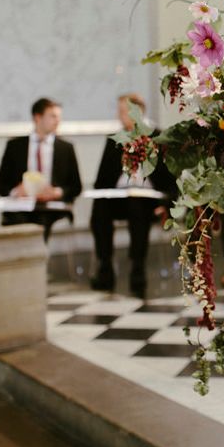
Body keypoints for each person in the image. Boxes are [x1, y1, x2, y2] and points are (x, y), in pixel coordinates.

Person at [89, 94, 176, 298]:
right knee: (100, 208)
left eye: (124, 112)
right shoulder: (115, 140)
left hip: (148, 200)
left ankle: (138, 268)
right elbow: (101, 180)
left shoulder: (158, 137)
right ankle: (105, 267)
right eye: (119, 112)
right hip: (119, 196)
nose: (120, 117)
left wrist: (166, 203)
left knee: (137, 206)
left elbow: (171, 180)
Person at [0, 97, 82, 240]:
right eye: (52, 116)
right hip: (22, 207)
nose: (57, 121)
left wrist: (56, 192)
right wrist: (16, 191)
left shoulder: (66, 148)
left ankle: (40, 260)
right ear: (37, 117)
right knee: (18, 223)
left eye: (59, 117)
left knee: (43, 222)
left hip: (51, 208)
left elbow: (76, 187)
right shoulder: (15, 146)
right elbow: (0, 185)